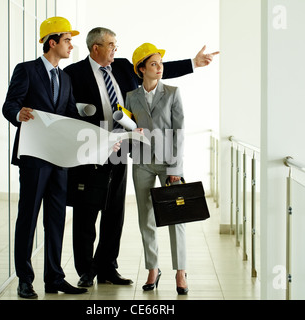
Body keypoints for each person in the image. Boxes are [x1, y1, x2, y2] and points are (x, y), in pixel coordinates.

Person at [64, 27, 219, 288]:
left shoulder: (123, 67)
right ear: (96, 48)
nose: (115, 49)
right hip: (92, 151)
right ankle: (86, 269)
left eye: (116, 45)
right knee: (87, 212)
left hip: (123, 151)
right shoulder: (74, 73)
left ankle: (107, 267)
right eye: (111, 45)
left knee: (115, 212)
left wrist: (193, 63)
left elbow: (156, 68)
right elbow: (67, 109)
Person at [2, 16, 87, 299]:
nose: (71, 46)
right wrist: (18, 113)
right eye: (67, 40)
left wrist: (99, 139)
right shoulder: (26, 70)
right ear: (52, 42)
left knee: (56, 218)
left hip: (59, 159)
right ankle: (25, 279)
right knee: (28, 217)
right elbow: (9, 104)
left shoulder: (65, 78)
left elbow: (71, 116)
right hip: (34, 157)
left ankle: (55, 278)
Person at [126, 43, 187, 294]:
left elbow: (179, 131)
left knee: (176, 217)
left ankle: (181, 271)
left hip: (168, 163)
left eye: (160, 63)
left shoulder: (172, 92)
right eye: (154, 64)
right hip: (141, 163)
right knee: (146, 217)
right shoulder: (131, 96)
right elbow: (127, 127)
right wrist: (130, 132)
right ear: (141, 69)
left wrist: (176, 166)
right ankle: (153, 268)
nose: (160, 68)